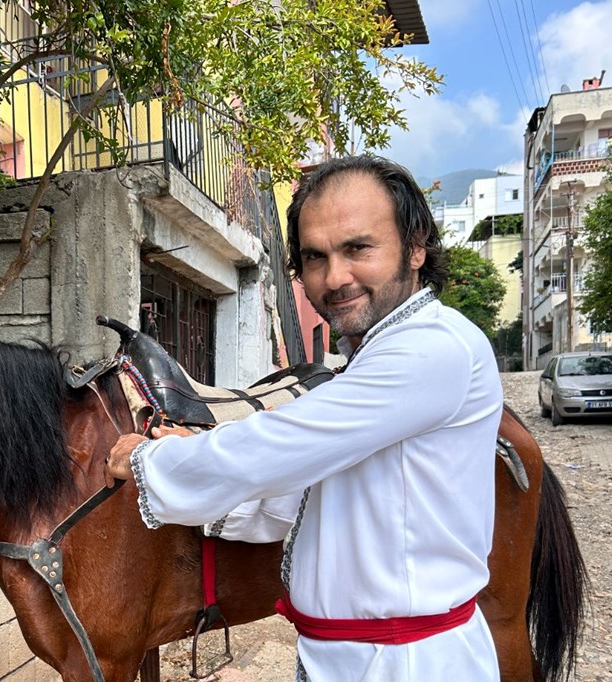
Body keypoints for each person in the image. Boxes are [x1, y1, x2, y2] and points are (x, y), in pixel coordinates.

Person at [106, 155, 502, 681]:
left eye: (358, 248)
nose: (335, 277)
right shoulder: (376, 356)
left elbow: (282, 445)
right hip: (353, 659)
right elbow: (316, 496)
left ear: (416, 247)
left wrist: (151, 461)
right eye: (315, 257)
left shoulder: (432, 346)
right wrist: (206, 483)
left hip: (405, 663)